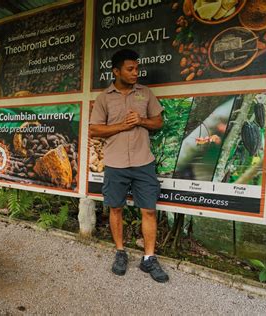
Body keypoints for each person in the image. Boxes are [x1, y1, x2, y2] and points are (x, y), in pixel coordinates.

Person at [89, 49, 168, 283]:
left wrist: (142, 121)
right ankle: (120, 252)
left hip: (143, 161)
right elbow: (94, 129)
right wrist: (122, 126)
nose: (136, 73)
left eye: (137, 68)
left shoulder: (145, 93)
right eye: (130, 69)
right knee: (115, 208)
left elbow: (159, 122)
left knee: (149, 210)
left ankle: (149, 259)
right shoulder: (104, 98)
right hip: (115, 163)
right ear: (116, 71)